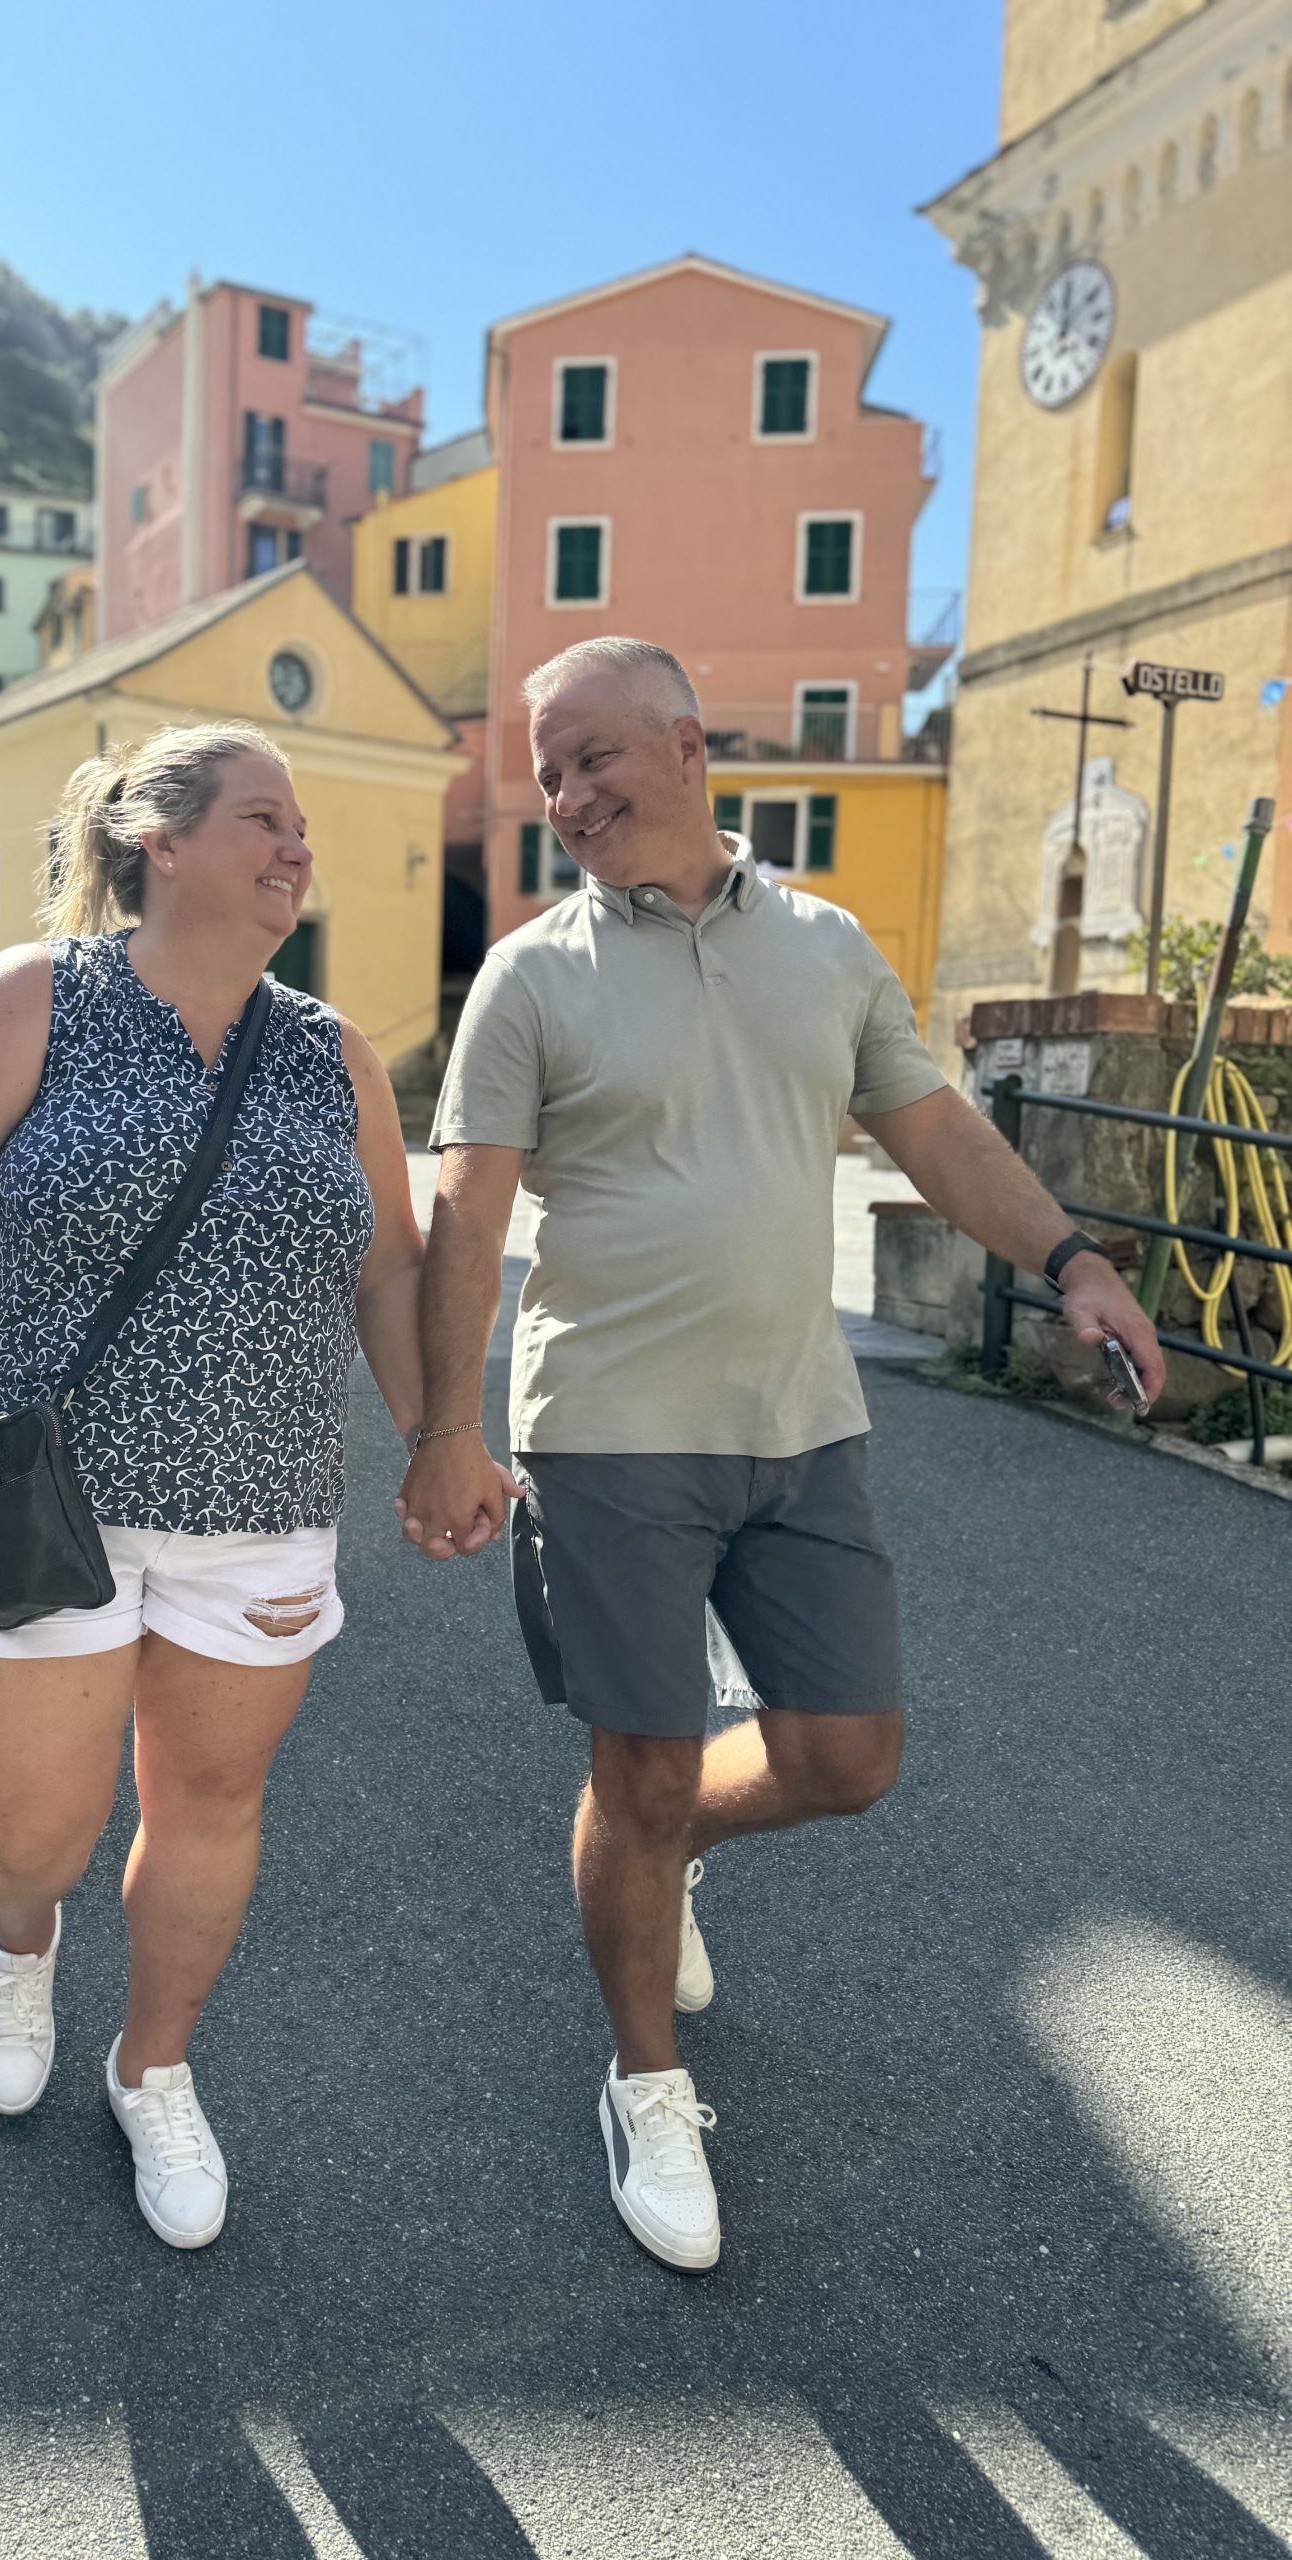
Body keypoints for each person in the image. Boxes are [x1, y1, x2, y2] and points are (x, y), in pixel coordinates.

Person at [398, 637, 1164, 2275]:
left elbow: (937, 1133)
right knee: (643, 1769)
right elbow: (467, 1216)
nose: (567, 795)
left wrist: (1075, 1262)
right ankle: (645, 2082)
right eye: (548, 771)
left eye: (594, 756)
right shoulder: (529, 977)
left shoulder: (825, 947)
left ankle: (664, 1856)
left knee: (844, 1755)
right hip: (605, 1433)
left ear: (689, 746)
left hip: (801, 1424)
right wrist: (444, 1429)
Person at [0, 721, 483, 2249]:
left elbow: (389, 1267)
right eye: (262, 819)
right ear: (158, 843)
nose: (295, 848)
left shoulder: (332, 1055)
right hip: (46, 1492)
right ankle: (20, 1940)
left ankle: (152, 2066)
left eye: (300, 827)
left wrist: (440, 1435)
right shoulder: (31, 1002)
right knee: (28, 1836)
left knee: (211, 1803)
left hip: (265, 1505)